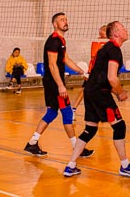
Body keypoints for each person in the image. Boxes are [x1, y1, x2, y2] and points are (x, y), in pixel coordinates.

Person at [63, 21, 130, 179]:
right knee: (120, 127)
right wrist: (120, 92)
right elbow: (112, 78)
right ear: (115, 34)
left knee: (90, 129)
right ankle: (125, 166)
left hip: (90, 91)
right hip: (99, 93)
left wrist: (115, 92)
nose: (126, 30)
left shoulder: (106, 49)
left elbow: (102, 77)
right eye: (122, 28)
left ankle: (71, 165)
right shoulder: (114, 49)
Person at [23, 12, 93, 158]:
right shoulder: (54, 41)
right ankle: (77, 148)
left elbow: (65, 59)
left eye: (66, 19)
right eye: (62, 20)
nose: (65, 21)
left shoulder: (61, 40)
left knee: (52, 113)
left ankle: (32, 143)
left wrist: (81, 72)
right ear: (55, 24)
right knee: (67, 114)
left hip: (53, 83)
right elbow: (52, 65)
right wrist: (61, 86)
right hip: (54, 84)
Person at [73, 25, 107, 109]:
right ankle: (73, 108)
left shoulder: (110, 42)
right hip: (94, 70)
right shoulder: (96, 42)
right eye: (101, 31)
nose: (101, 33)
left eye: (103, 31)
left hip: (104, 71)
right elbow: (94, 57)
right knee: (85, 89)